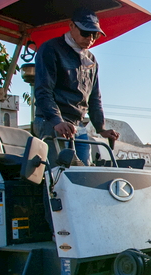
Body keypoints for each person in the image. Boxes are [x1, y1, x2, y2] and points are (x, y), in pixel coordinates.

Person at [33, 9, 119, 165]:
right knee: (58, 172)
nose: (90, 39)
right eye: (86, 33)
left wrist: (101, 128)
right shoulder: (50, 49)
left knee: (84, 172)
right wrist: (56, 120)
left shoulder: (91, 60)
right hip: (51, 121)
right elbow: (43, 90)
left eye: (95, 35)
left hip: (78, 126)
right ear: (71, 26)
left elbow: (94, 98)